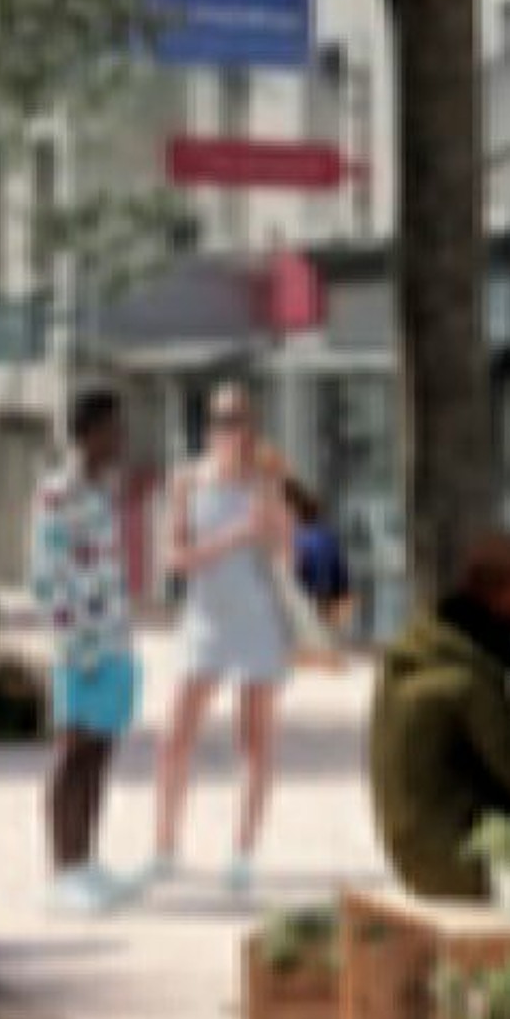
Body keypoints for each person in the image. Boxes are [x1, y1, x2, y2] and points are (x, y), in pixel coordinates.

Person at [146, 382, 296, 900]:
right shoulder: (188, 481)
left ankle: (242, 853)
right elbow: (173, 559)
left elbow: (285, 557)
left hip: (256, 619)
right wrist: (231, 537)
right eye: (223, 420)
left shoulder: (267, 482)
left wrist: (275, 524)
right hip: (204, 619)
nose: (233, 430)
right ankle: (165, 847)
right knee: (174, 737)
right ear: (209, 428)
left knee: (254, 741)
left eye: (241, 419)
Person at [369, 532, 510, 900]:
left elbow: (479, 753)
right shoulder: (467, 676)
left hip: (423, 852)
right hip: (459, 859)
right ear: (508, 591)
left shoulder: (434, 648)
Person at [29, 390, 139, 913]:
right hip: (80, 645)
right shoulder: (58, 492)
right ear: (89, 433)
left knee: (101, 755)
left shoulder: (104, 491)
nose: (121, 438)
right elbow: (45, 575)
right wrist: (73, 639)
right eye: (113, 428)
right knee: (72, 755)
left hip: (114, 636)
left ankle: (88, 862)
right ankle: (61, 868)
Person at [284, 474, 356, 644]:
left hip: (306, 628)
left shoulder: (307, 540)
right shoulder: (321, 536)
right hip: (321, 623)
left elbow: (322, 590)